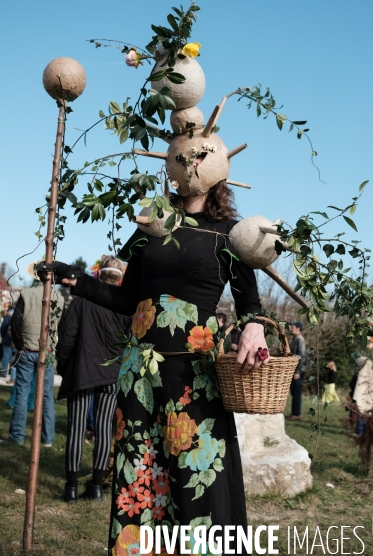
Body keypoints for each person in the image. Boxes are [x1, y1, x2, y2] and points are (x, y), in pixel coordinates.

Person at [38, 180, 269, 555]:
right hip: (140, 375)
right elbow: (127, 299)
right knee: (140, 472)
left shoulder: (229, 234)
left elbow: (251, 303)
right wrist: (76, 280)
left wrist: (254, 327)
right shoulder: (152, 224)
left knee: (198, 476)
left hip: (195, 376)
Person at [56, 255, 132, 503]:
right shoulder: (126, 307)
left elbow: (67, 337)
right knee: (103, 431)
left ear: (98, 275)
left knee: (76, 429)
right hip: (112, 375)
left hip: (83, 372)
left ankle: (71, 488)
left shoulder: (81, 302)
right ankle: (97, 486)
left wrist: (63, 365)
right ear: (121, 278)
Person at [0, 266, 64, 446]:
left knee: (21, 393)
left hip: (27, 350)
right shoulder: (58, 298)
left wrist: (20, 346)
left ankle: (17, 436)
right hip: (48, 352)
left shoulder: (27, 294)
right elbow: (62, 325)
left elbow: (16, 320)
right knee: (46, 396)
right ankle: (47, 439)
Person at [286, 321, 307, 421]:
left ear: (298, 328)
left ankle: (296, 414)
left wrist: (297, 371)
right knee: (294, 392)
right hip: (295, 370)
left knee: (297, 393)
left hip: (299, 371)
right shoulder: (295, 339)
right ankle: (294, 413)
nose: (291, 329)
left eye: (292, 327)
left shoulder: (300, 340)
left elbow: (302, 356)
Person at [1, 307, 16, 382]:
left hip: (7, 340)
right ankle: (12, 373)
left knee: (6, 357)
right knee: (13, 358)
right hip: (16, 341)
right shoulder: (18, 316)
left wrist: (3, 336)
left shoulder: (8, 317)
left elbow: (3, 327)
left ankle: (4, 372)